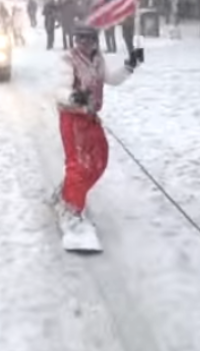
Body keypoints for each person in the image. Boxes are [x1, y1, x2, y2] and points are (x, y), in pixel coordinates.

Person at [55, 23, 141, 250]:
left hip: (91, 118)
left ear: (95, 41)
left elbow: (110, 79)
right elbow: (60, 90)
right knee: (79, 165)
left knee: (99, 161)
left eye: (89, 39)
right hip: (72, 118)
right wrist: (75, 96)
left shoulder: (98, 60)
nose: (84, 43)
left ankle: (67, 192)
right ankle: (72, 213)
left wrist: (130, 65)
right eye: (80, 39)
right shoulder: (68, 60)